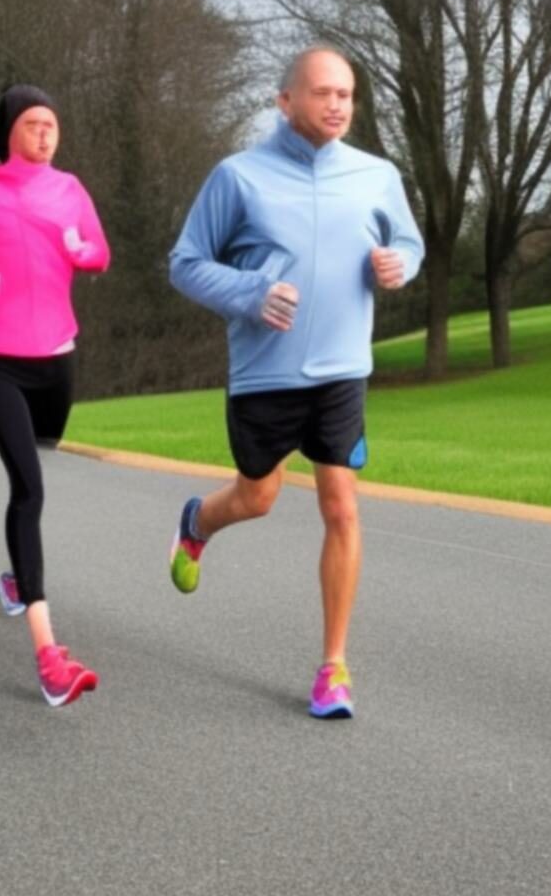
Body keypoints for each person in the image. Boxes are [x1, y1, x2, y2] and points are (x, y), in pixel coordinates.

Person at [168, 46, 424, 719]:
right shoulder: (238, 177)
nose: (338, 104)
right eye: (322, 93)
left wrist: (400, 265)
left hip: (344, 372)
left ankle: (333, 667)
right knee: (258, 498)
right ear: (285, 101)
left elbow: (411, 245)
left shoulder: (376, 175)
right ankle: (197, 520)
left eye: (346, 94)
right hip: (265, 375)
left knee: (341, 505)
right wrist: (251, 293)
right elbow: (186, 264)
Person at [0, 84, 111, 707]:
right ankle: (49, 655)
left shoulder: (69, 189)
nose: (46, 133)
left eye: (52, 124)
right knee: (29, 487)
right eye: (34, 123)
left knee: (38, 461)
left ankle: (18, 579)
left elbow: (101, 252)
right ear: (10, 131)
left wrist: (82, 253)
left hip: (57, 363)